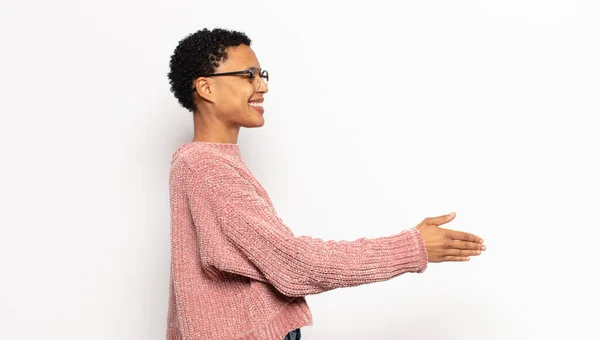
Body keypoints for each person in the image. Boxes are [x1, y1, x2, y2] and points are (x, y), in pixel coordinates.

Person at [165, 28, 485, 340]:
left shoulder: (209, 163)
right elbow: (294, 265)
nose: (261, 85)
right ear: (206, 88)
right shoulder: (204, 167)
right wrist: (412, 247)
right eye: (248, 75)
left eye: (262, 74)